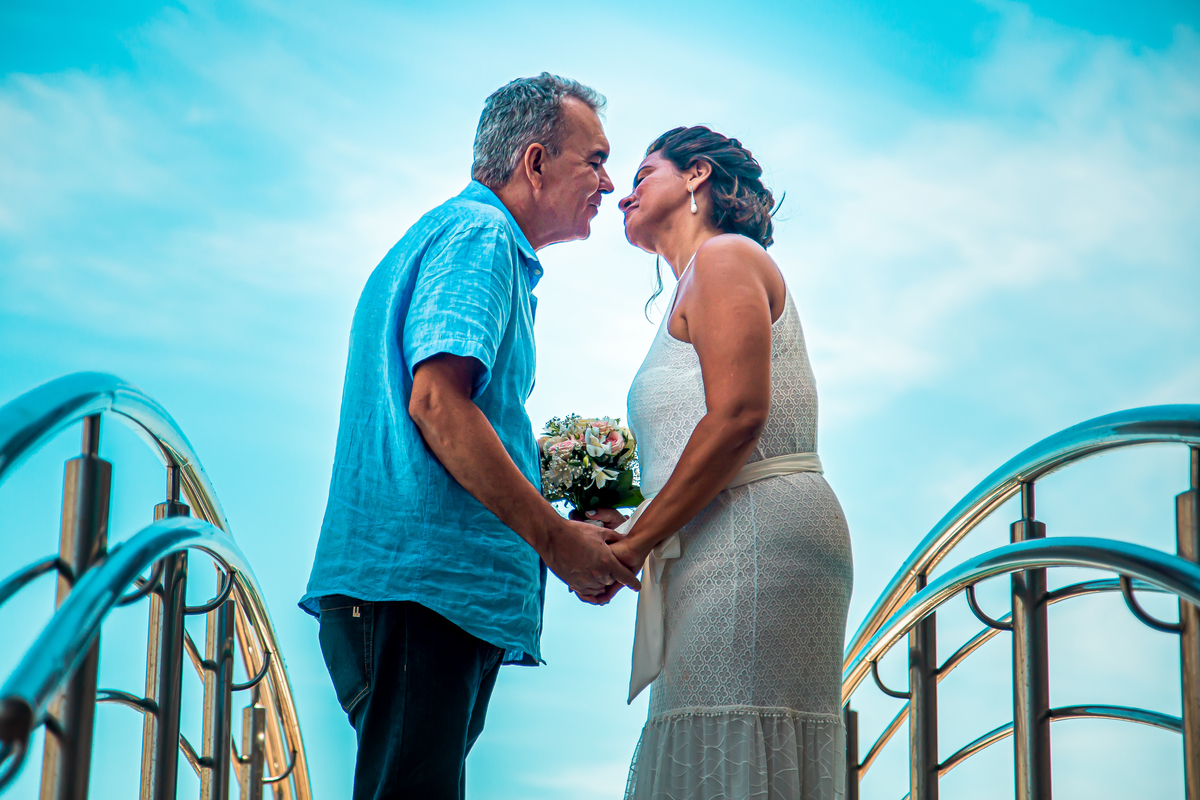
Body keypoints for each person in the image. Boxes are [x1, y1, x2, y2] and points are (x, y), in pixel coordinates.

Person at [299, 73, 640, 800]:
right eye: (596, 160)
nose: (609, 184)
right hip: (422, 594)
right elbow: (437, 404)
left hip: (421, 596)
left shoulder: (463, 237)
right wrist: (556, 540)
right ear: (535, 161)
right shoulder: (481, 235)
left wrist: (566, 513)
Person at [589, 126, 855, 799]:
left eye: (643, 175)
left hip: (757, 540)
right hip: (711, 543)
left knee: (732, 737)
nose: (623, 195)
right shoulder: (693, 282)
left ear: (696, 175)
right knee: (713, 748)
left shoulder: (725, 257)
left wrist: (634, 548)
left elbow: (738, 415)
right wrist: (629, 527)